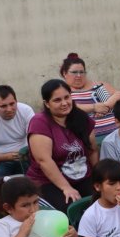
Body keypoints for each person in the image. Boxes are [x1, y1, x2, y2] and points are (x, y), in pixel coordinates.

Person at [26, 79, 97, 211]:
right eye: (57, 100)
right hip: (48, 181)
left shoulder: (81, 117)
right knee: (71, 207)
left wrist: (99, 177)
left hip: (82, 176)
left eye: (67, 97)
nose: (64, 103)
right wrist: (66, 187)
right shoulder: (39, 122)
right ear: (47, 103)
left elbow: (93, 150)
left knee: (103, 200)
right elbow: (44, 160)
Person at [60, 53, 120, 142]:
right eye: (74, 72)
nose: (79, 75)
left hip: (115, 136)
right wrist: (94, 107)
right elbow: (67, 107)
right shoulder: (62, 91)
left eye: (82, 72)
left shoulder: (97, 84)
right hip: (88, 141)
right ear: (65, 73)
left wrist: (106, 106)